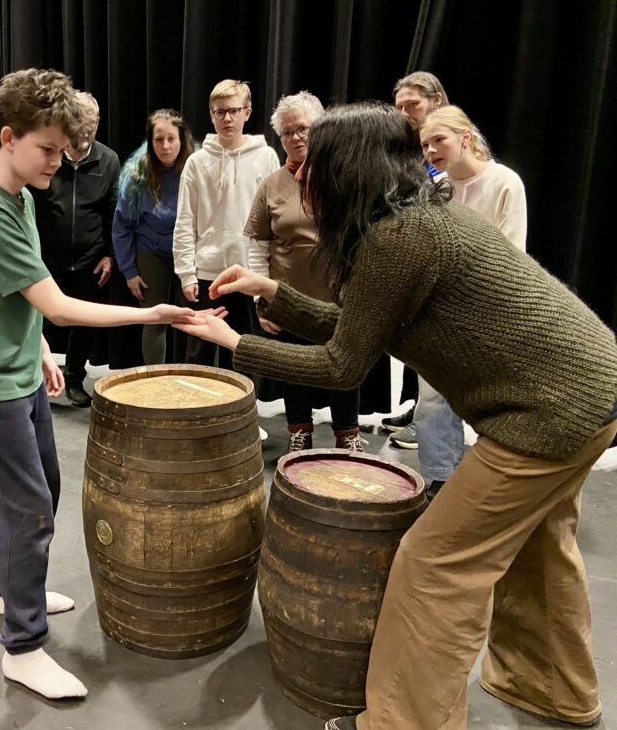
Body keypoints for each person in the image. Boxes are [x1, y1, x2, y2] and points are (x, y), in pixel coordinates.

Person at [173, 102, 617, 730]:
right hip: (593, 394)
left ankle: (404, 723)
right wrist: (272, 292)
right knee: (539, 552)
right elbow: (361, 330)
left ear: (346, 169)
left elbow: (341, 366)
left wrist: (235, 344)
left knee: (434, 565)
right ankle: (552, 688)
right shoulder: (420, 219)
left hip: (545, 416)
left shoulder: (398, 238)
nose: (302, 174)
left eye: (315, 163)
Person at [0, 69, 212, 702]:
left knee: (41, 492)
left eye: (62, 149)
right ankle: (22, 646)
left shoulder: (19, 197)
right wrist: (151, 313)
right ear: (8, 138)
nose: (57, 161)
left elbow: (13, 294)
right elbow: (59, 306)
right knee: (29, 512)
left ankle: (6, 587)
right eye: (47, 149)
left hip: (17, 371)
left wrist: (37, 348)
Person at [415, 104, 527, 498]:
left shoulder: (505, 183)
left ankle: (490, 485)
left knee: (490, 403)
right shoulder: (435, 190)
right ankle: (442, 480)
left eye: (438, 140)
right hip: (440, 314)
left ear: (465, 137)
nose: (430, 150)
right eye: (425, 144)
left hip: (487, 314)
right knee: (432, 403)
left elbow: (512, 255)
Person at [244, 91, 363, 453]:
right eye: (287, 132)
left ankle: (348, 435)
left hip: (341, 300)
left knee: (345, 368)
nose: (295, 137)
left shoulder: (347, 177)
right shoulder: (271, 185)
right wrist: (263, 299)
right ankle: (299, 432)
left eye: (303, 129)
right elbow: (257, 246)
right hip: (288, 299)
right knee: (293, 369)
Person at [172, 79, 280, 370]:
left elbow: (274, 221)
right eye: (220, 112)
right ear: (211, 115)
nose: (227, 119)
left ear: (247, 113)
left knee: (246, 355)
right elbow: (185, 220)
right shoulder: (197, 162)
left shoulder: (266, 156)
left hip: (250, 274)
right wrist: (186, 274)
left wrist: (270, 274)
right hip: (207, 274)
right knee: (200, 358)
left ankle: (245, 403)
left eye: (234, 111)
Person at [28, 91, 121, 408]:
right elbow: (29, 204)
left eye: (91, 123)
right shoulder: (48, 156)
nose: (85, 130)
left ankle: (73, 379)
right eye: (79, 122)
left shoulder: (108, 160)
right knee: (35, 320)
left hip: (89, 259)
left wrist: (110, 255)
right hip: (46, 258)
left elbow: (113, 213)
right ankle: (35, 377)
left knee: (83, 324)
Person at [383, 70, 452, 443]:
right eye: (399, 107)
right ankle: (416, 407)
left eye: (412, 104)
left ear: (435, 101)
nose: (404, 113)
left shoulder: (448, 144)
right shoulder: (411, 146)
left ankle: (430, 427)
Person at [111, 108, 195, 364]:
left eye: (171, 139)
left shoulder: (197, 167)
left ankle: (194, 380)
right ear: (150, 142)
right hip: (151, 250)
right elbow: (122, 226)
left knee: (193, 319)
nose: (165, 146)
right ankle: (155, 379)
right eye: (159, 139)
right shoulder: (136, 175)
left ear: (182, 140)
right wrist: (129, 272)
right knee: (155, 321)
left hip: (189, 250)